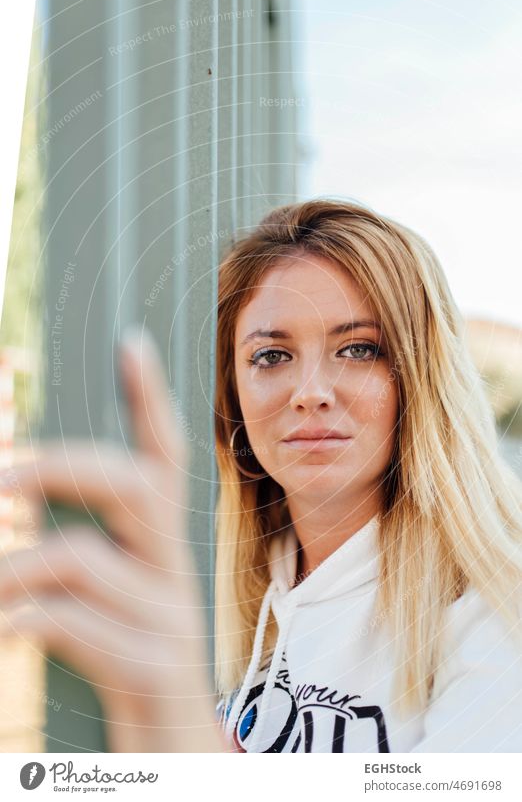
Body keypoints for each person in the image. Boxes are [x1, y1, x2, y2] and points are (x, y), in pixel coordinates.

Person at [0, 199, 521, 753]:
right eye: (272, 356)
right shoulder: (239, 595)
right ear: (234, 397)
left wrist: (183, 726)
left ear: (420, 380)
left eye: (358, 349)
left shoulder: (495, 614)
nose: (311, 392)